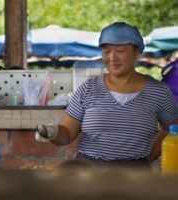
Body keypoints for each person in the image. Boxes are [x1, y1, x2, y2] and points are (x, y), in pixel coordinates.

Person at [35, 21, 178, 170]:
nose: (112, 57)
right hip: (88, 173)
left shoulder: (158, 92)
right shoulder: (88, 89)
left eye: (120, 51)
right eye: (106, 51)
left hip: (134, 175)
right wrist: (53, 132)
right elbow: (67, 133)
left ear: (137, 53)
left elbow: (172, 129)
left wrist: (148, 158)